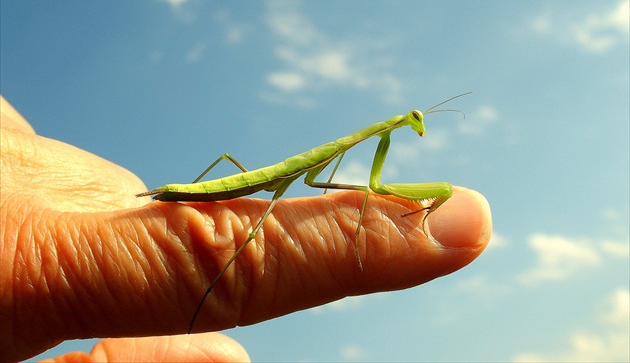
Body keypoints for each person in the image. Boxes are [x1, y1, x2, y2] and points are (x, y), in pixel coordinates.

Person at [0, 96, 492, 362]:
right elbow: (361, 184)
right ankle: (212, 277)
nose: (418, 125)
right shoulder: (361, 138)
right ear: (400, 120)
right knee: (253, 225)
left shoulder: (366, 139)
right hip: (251, 180)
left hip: (269, 179)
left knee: (361, 189)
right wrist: (366, 207)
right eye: (414, 120)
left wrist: (367, 197)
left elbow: (337, 182)